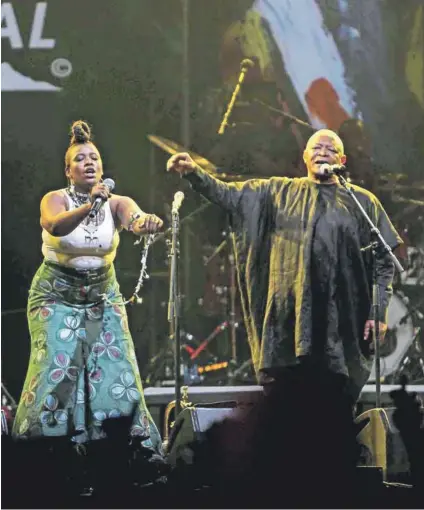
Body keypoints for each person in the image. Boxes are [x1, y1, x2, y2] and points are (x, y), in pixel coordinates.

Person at [167, 129, 402, 401]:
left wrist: (378, 311)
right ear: (304, 156)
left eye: (330, 149)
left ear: (343, 160)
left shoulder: (361, 202)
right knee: (288, 405)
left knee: (333, 408)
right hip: (287, 318)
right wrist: (195, 173)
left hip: (340, 321)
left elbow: (385, 260)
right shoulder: (278, 192)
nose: (323, 152)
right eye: (316, 147)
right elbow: (228, 195)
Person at [12, 120, 164, 455]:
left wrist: (145, 223)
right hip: (55, 295)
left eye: (94, 157)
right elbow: (53, 226)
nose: (89, 162)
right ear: (68, 170)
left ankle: (120, 446)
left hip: (102, 295)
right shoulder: (55, 200)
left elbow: (134, 219)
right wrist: (89, 205)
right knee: (58, 365)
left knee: (114, 366)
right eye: (80, 159)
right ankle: (47, 446)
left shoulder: (116, 202)